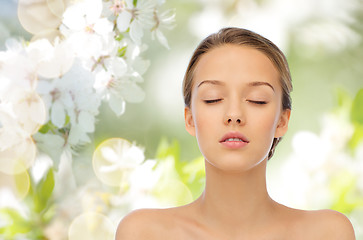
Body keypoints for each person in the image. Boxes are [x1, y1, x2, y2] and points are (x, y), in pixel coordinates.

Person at [116, 27, 356, 239]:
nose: (234, 115)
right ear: (190, 119)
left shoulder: (327, 233)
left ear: (282, 121)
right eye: (213, 99)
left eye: (257, 100)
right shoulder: (144, 232)